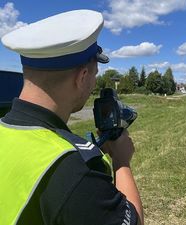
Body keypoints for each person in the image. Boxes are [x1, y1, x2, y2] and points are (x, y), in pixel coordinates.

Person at [0, 10, 144, 225]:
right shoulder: (73, 169)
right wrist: (121, 162)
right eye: (94, 74)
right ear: (82, 76)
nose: (94, 83)